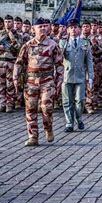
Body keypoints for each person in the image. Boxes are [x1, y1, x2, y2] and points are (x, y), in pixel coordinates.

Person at [13, 18, 64, 146]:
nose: (42, 29)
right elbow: (19, 62)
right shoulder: (28, 45)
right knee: (31, 109)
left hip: (47, 80)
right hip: (31, 81)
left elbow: (59, 64)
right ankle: (33, 136)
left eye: (45, 26)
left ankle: (48, 128)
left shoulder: (53, 45)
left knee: (46, 107)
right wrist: (15, 77)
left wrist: (59, 80)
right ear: (33, 29)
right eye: (39, 26)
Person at [59, 19, 93, 132]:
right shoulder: (63, 42)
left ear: (79, 29)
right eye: (71, 28)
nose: (73, 29)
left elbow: (89, 61)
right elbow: (59, 59)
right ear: (68, 30)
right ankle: (69, 123)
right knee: (67, 101)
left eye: (75, 27)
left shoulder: (85, 42)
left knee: (80, 101)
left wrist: (91, 77)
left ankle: (79, 119)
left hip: (80, 76)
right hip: (66, 76)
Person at [0, 15, 22, 113]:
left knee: (10, 84)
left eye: (9, 22)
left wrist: (12, 38)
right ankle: (2, 104)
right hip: (1, 62)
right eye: (6, 21)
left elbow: (19, 47)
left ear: (12, 23)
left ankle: (9, 104)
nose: (8, 23)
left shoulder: (17, 35)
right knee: (1, 84)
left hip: (11, 62)